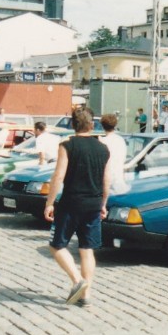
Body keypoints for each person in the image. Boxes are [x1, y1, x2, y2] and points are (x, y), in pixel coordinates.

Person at [44, 108, 111, 307]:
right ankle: (86, 295)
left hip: (71, 203)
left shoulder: (67, 145)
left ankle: (77, 280)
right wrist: (104, 203)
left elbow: (58, 176)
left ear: (73, 125)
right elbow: (106, 179)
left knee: (56, 245)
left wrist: (49, 202)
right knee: (87, 249)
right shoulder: (103, 148)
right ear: (92, 125)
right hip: (93, 203)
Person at [100, 112, 129, 194]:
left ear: (102, 126)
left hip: (107, 183)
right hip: (120, 182)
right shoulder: (121, 140)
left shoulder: (102, 141)